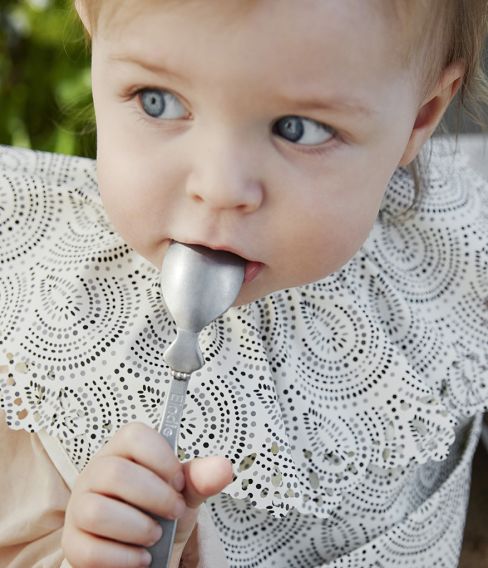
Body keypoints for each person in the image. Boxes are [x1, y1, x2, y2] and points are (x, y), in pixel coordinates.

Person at [1, 0, 487, 566]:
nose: (220, 187)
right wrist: (92, 554)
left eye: (299, 129)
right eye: (158, 100)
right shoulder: (37, 332)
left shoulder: (445, 257)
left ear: (420, 118)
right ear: (93, 38)